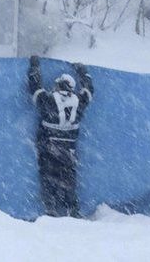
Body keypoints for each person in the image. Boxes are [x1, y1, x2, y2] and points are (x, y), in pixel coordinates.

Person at [28, 55, 94, 217]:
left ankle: (50, 207)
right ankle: (72, 208)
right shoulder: (79, 101)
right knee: (68, 180)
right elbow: (89, 89)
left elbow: (35, 87)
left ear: (58, 85)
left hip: (49, 146)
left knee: (48, 178)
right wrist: (82, 71)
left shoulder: (49, 100)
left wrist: (35, 66)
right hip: (69, 150)